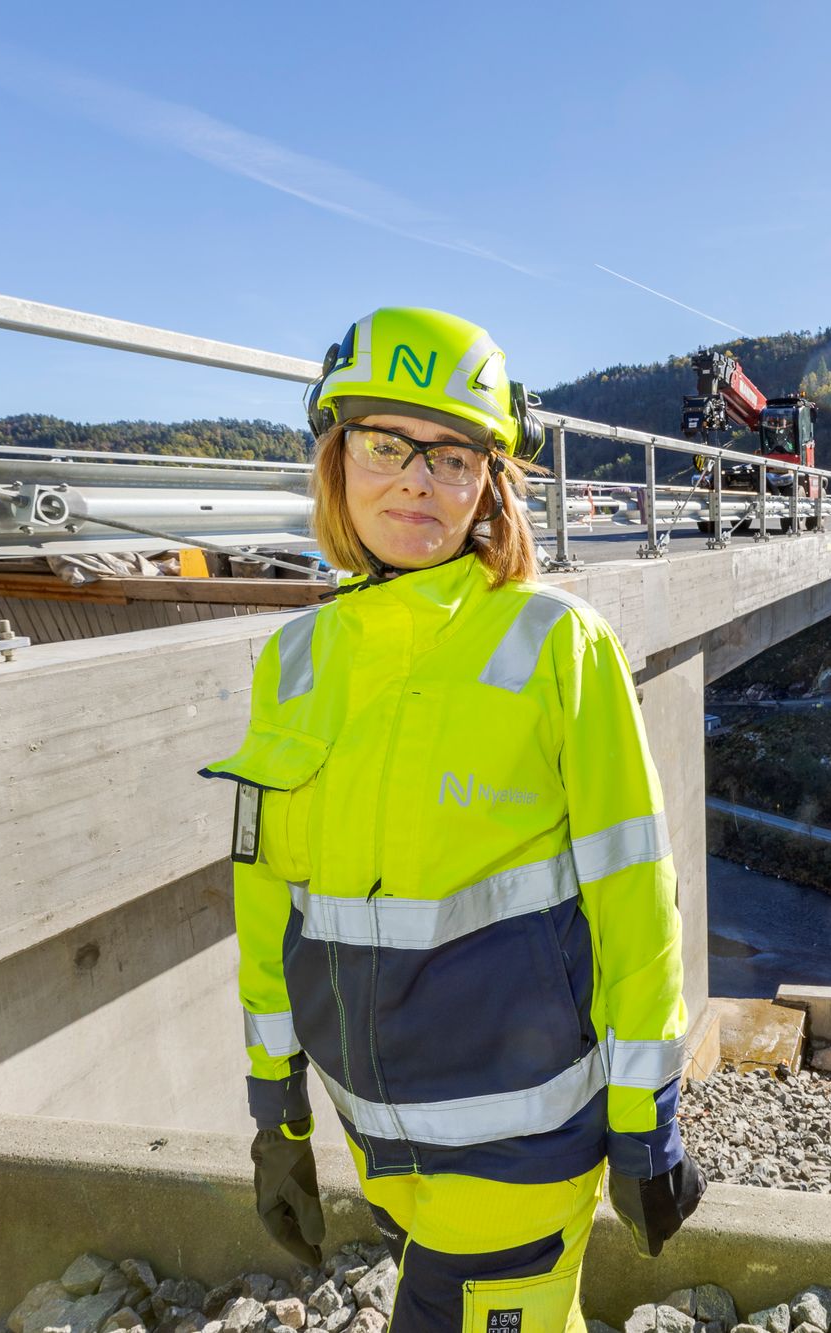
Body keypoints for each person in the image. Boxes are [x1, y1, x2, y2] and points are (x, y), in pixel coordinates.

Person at [201, 307, 705, 1332]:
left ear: (490, 479)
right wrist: (276, 1115)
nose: (418, 481)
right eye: (386, 445)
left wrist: (644, 1114)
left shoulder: (555, 642)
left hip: (518, 1145)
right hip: (374, 1137)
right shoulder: (292, 662)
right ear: (336, 458)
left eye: (453, 454)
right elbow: (268, 904)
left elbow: (633, 891)